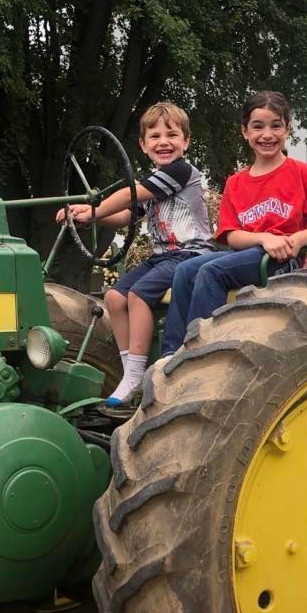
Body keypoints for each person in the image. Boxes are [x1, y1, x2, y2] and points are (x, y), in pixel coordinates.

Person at [159, 90, 307, 356]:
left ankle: (201, 352)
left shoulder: (302, 174)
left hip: (280, 260)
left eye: (275, 126)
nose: (267, 135)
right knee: (185, 270)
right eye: (258, 127)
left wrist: (297, 240)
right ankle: (170, 354)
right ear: (245, 131)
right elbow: (231, 236)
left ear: (287, 129)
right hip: (248, 253)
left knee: (211, 272)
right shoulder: (236, 183)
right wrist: (263, 238)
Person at [56, 102, 213, 406]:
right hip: (162, 256)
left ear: (186, 141)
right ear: (142, 144)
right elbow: (127, 215)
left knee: (139, 296)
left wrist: (95, 207)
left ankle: (138, 374)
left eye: (172, 135)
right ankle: (129, 372)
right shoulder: (156, 179)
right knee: (115, 297)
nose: (164, 142)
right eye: (154, 136)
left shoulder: (180, 172)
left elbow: (132, 194)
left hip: (189, 254)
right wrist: (92, 217)